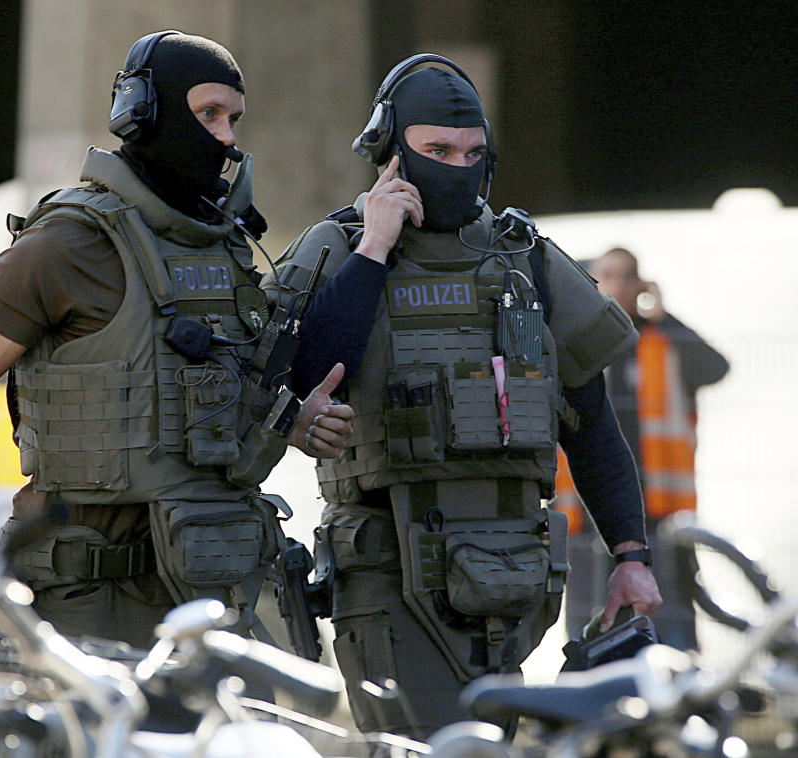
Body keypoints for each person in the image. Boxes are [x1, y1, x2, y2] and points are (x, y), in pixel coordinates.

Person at [264, 54, 661, 737]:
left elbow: (591, 422)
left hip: (515, 574)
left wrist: (631, 557)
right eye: (437, 151)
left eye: (473, 152)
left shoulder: (525, 256)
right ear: (391, 152)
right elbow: (303, 371)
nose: (458, 166)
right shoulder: (340, 246)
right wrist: (376, 248)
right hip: (388, 569)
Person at [0, 30, 354, 649]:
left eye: (233, 118)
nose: (227, 137)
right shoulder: (69, 242)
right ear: (145, 113)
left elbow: (223, 399)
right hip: (88, 597)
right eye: (207, 114)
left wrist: (295, 419)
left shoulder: (226, 247)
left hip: (211, 590)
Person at [555, 247, 729, 650]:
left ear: (639, 285)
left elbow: (716, 367)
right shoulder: (577, 343)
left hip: (656, 507)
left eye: (622, 276)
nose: (612, 285)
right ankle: (590, 689)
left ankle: (676, 684)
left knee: (667, 608)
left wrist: (664, 315)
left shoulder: (661, 341)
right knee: (588, 615)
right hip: (584, 507)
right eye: (604, 276)